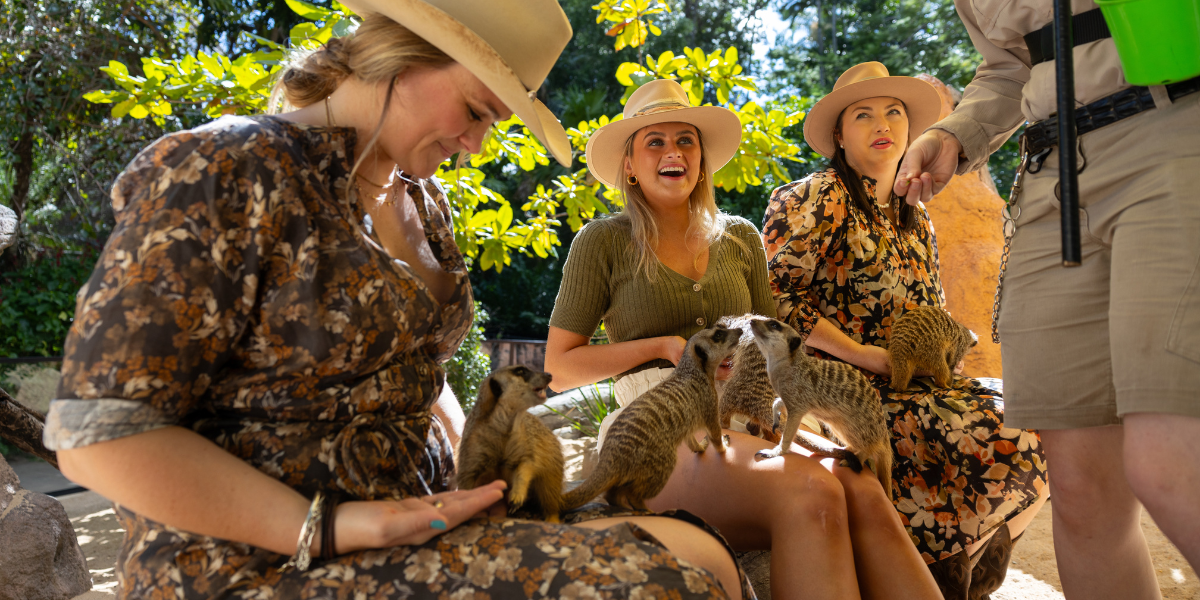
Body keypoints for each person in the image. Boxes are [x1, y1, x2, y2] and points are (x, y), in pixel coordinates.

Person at [43, 1, 753, 598]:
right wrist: (330, 525)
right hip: (261, 560)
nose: (476, 144)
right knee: (658, 583)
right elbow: (97, 437)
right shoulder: (226, 170)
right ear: (400, 55)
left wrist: (487, 473)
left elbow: (417, 374)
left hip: (425, 521)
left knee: (705, 551)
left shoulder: (422, 198)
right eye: (476, 110)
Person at [545, 78, 944, 600]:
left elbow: (774, 339)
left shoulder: (739, 237)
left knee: (863, 484)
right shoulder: (602, 240)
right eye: (655, 142)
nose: (674, 153)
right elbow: (557, 369)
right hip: (654, 424)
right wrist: (666, 348)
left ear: (702, 157)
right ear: (629, 165)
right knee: (812, 489)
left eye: (685, 140)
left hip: (752, 414)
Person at [892, 2, 1200, 597]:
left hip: (1174, 126)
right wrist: (956, 132)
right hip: (1052, 176)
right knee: (1084, 495)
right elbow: (1012, 65)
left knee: (1172, 461)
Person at [762, 62, 1050, 598]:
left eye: (894, 112)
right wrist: (864, 354)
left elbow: (931, 313)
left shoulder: (917, 218)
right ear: (839, 138)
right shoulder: (811, 197)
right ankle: (935, 573)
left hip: (915, 382)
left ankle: (959, 572)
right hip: (839, 386)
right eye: (863, 114)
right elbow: (777, 300)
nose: (883, 123)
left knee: (1039, 418)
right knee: (984, 437)